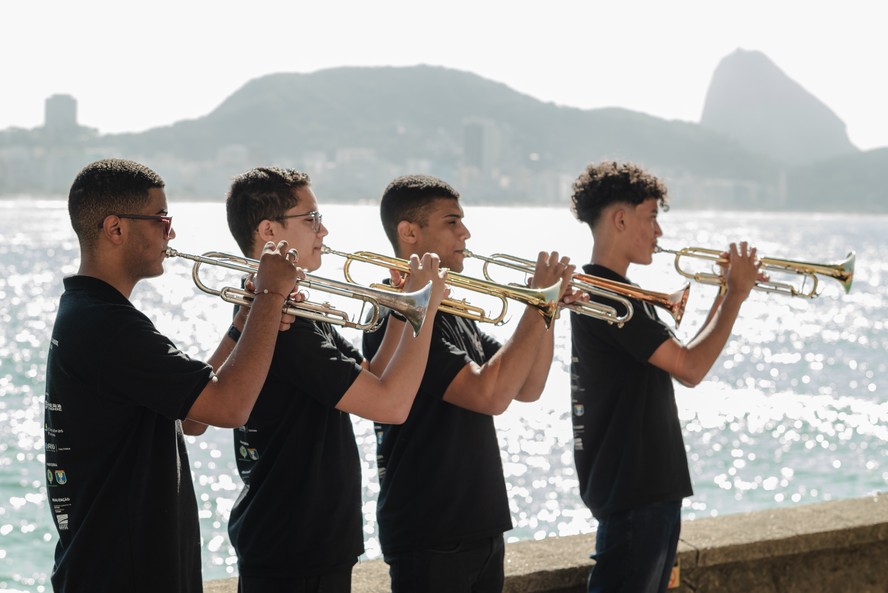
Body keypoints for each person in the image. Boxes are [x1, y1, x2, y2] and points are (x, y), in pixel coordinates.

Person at [43, 158, 300, 593]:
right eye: (162, 220)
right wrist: (272, 293)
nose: (172, 233)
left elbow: (194, 417)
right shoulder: (108, 326)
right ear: (116, 228)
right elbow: (231, 406)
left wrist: (243, 323)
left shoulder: (95, 314)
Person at [223, 167, 447, 593]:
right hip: (293, 549)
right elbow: (392, 406)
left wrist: (403, 311)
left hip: (310, 545)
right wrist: (427, 308)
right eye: (311, 219)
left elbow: (374, 377)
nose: (324, 230)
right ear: (269, 230)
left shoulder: (292, 311)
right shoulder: (284, 324)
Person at [361, 174, 580, 593]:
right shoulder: (399, 313)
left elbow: (526, 386)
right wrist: (539, 306)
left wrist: (548, 312)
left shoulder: (452, 309)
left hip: (479, 524)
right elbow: (489, 395)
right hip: (431, 530)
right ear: (409, 232)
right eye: (451, 222)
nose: (466, 233)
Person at [568, 161, 762, 593]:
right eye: (652, 217)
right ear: (621, 219)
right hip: (637, 491)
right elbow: (691, 369)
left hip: (639, 489)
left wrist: (728, 292)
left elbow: (686, 358)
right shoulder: (611, 298)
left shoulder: (619, 294)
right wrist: (735, 294)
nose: (659, 233)